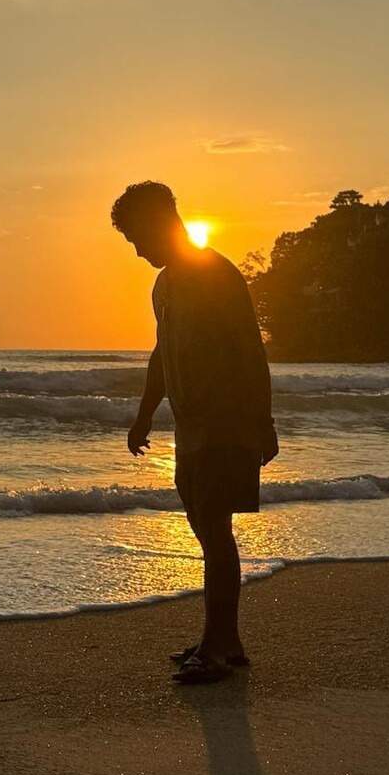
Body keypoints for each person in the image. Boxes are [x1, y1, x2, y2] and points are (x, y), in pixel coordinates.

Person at [112, 181, 277, 684]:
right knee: (205, 528)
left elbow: (249, 350)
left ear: (163, 220)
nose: (139, 251)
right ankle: (225, 640)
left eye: (139, 237)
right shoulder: (165, 285)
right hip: (191, 427)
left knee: (215, 528)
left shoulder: (215, 273)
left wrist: (262, 422)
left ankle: (217, 647)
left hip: (226, 421)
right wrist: (144, 415)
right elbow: (162, 355)